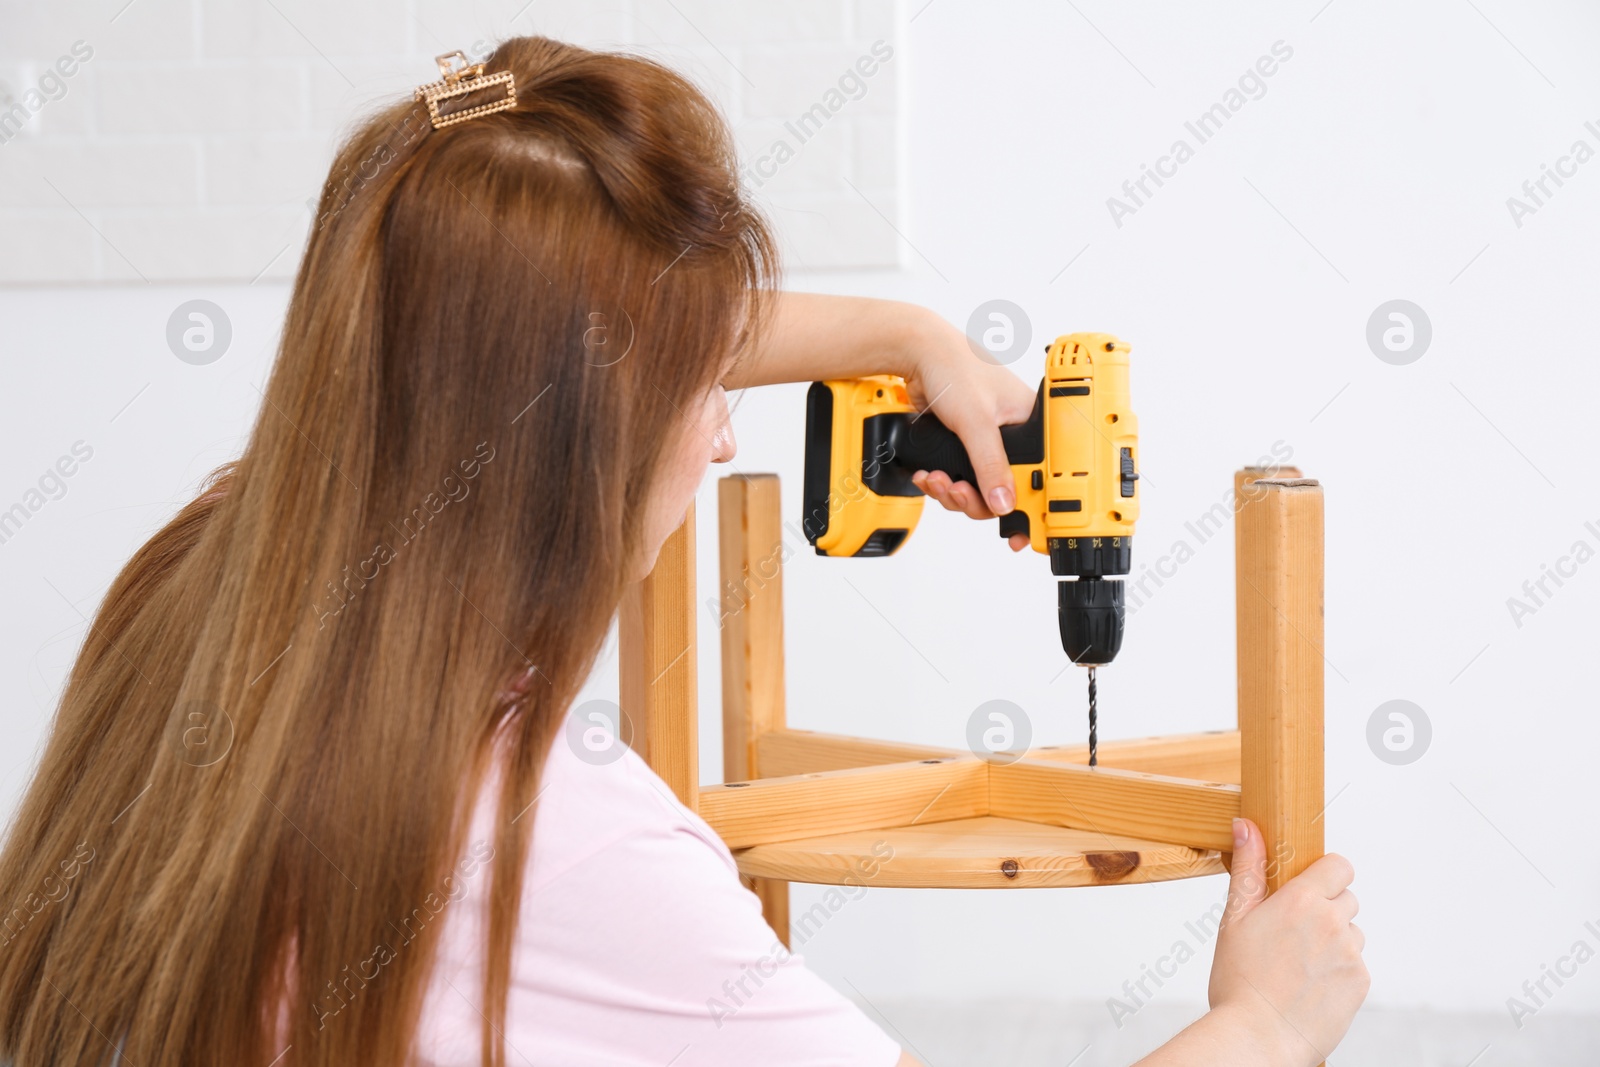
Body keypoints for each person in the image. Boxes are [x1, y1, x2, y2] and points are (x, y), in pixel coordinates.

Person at [0, 35, 1367, 1067]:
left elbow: (528, 359)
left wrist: (910, 342)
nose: (723, 434)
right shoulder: (568, 846)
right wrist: (1261, 1021)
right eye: (699, 391)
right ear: (585, 445)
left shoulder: (194, 584)